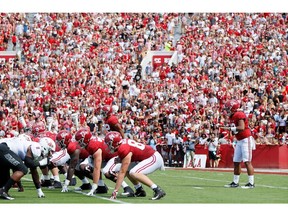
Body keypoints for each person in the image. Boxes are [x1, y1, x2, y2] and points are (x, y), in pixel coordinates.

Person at [104, 131, 166, 200]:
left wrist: (115, 191)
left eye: (109, 143)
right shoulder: (122, 144)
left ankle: (157, 190)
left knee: (134, 172)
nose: (108, 146)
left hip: (153, 157)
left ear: (116, 142)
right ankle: (139, 190)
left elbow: (122, 172)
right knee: (128, 170)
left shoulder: (123, 149)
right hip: (147, 157)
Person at [77, 133, 135, 197]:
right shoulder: (90, 143)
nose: (79, 143)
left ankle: (127, 188)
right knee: (83, 166)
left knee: (106, 172)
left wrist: (94, 186)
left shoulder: (93, 145)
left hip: (111, 156)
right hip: (102, 156)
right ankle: (101, 186)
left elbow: (97, 167)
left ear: (85, 139)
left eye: (80, 141)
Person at [221, 100, 256, 189]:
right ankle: (235, 182)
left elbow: (241, 127)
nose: (227, 109)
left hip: (245, 139)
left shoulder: (239, 114)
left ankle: (251, 183)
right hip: (239, 140)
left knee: (247, 162)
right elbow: (236, 130)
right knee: (236, 161)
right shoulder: (232, 116)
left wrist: (230, 128)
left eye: (228, 107)